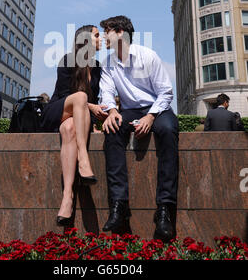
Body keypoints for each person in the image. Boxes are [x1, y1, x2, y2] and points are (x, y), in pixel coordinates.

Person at [99, 16, 179, 242]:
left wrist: (151, 116)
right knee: (112, 130)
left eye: (107, 31)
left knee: (167, 131)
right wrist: (112, 111)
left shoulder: (148, 56)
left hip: (157, 107)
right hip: (129, 110)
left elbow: (165, 92)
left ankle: (164, 210)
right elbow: (106, 92)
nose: (104, 36)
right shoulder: (107, 63)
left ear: (121, 32)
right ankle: (119, 206)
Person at [41, 25, 108, 226]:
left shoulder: (97, 67)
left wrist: (94, 121)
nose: (101, 39)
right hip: (57, 110)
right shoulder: (68, 60)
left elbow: (98, 98)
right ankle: (83, 158)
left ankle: (67, 198)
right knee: (80, 97)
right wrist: (90, 106)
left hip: (76, 119)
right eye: (97, 35)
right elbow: (63, 95)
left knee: (69, 128)